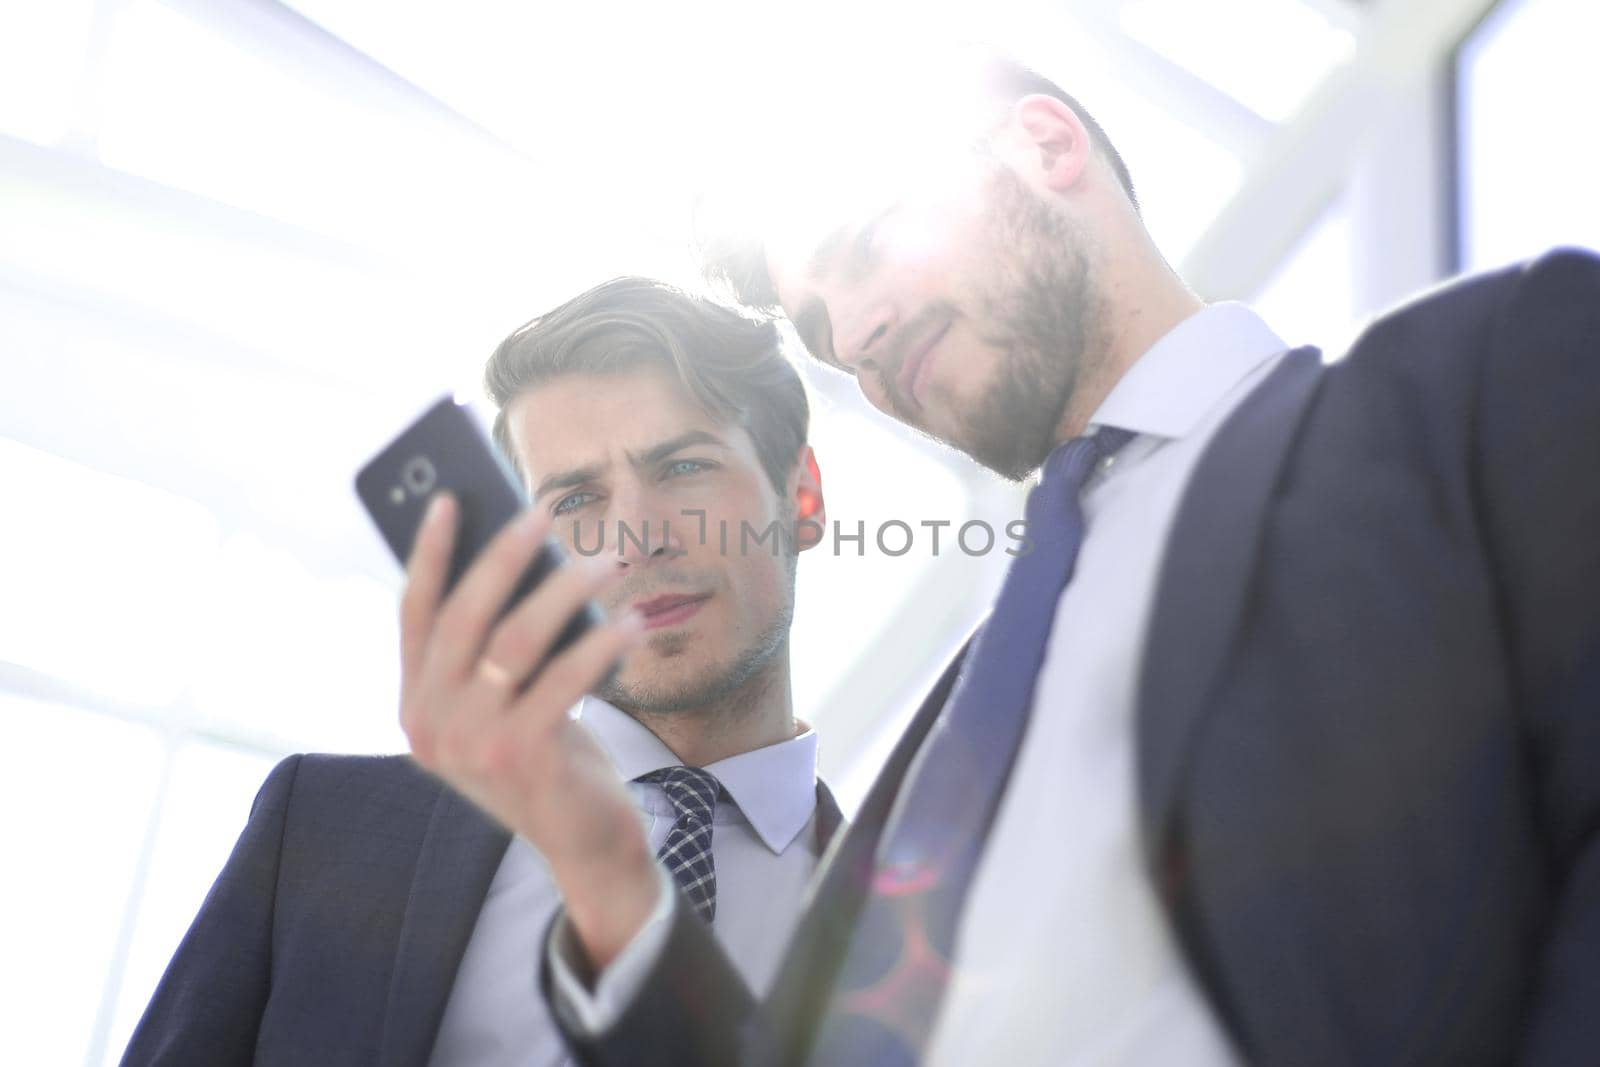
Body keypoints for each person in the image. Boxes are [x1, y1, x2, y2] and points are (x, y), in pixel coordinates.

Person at [530, 58, 1600, 1066]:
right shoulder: (949, 719)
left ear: (1045, 146)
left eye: (870, 242)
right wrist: (605, 879)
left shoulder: (1481, 380)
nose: (854, 329)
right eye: (818, 325)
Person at [120, 277, 841, 1066]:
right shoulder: (322, 829)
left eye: (682, 468)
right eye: (574, 501)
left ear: (800, 495)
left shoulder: (911, 917)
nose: (637, 536)